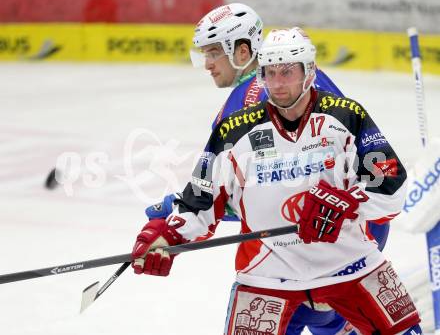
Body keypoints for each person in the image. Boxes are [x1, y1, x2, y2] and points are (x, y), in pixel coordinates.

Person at [132, 27, 423, 334]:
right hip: (266, 274)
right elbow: (200, 199)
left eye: (287, 72)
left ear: (309, 72)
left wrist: (348, 203)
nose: (278, 83)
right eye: (270, 73)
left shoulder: (347, 116)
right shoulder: (234, 131)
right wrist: (166, 234)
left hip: (351, 263)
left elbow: (392, 185)